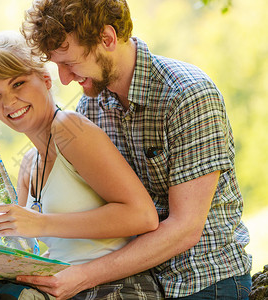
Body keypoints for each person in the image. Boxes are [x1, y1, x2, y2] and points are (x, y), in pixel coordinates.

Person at [18, 0, 253, 299]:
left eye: (69, 63)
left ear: (107, 39)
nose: (64, 79)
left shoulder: (188, 95)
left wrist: (82, 276)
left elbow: (185, 228)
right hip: (133, 282)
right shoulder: (91, 105)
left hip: (202, 281)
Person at [0, 31, 163, 299]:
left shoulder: (69, 128)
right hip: (67, 292)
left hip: (117, 290)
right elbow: (9, 252)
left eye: (18, 84)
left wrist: (42, 223)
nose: (8, 102)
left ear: (46, 79)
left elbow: (142, 216)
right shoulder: (29, 164)